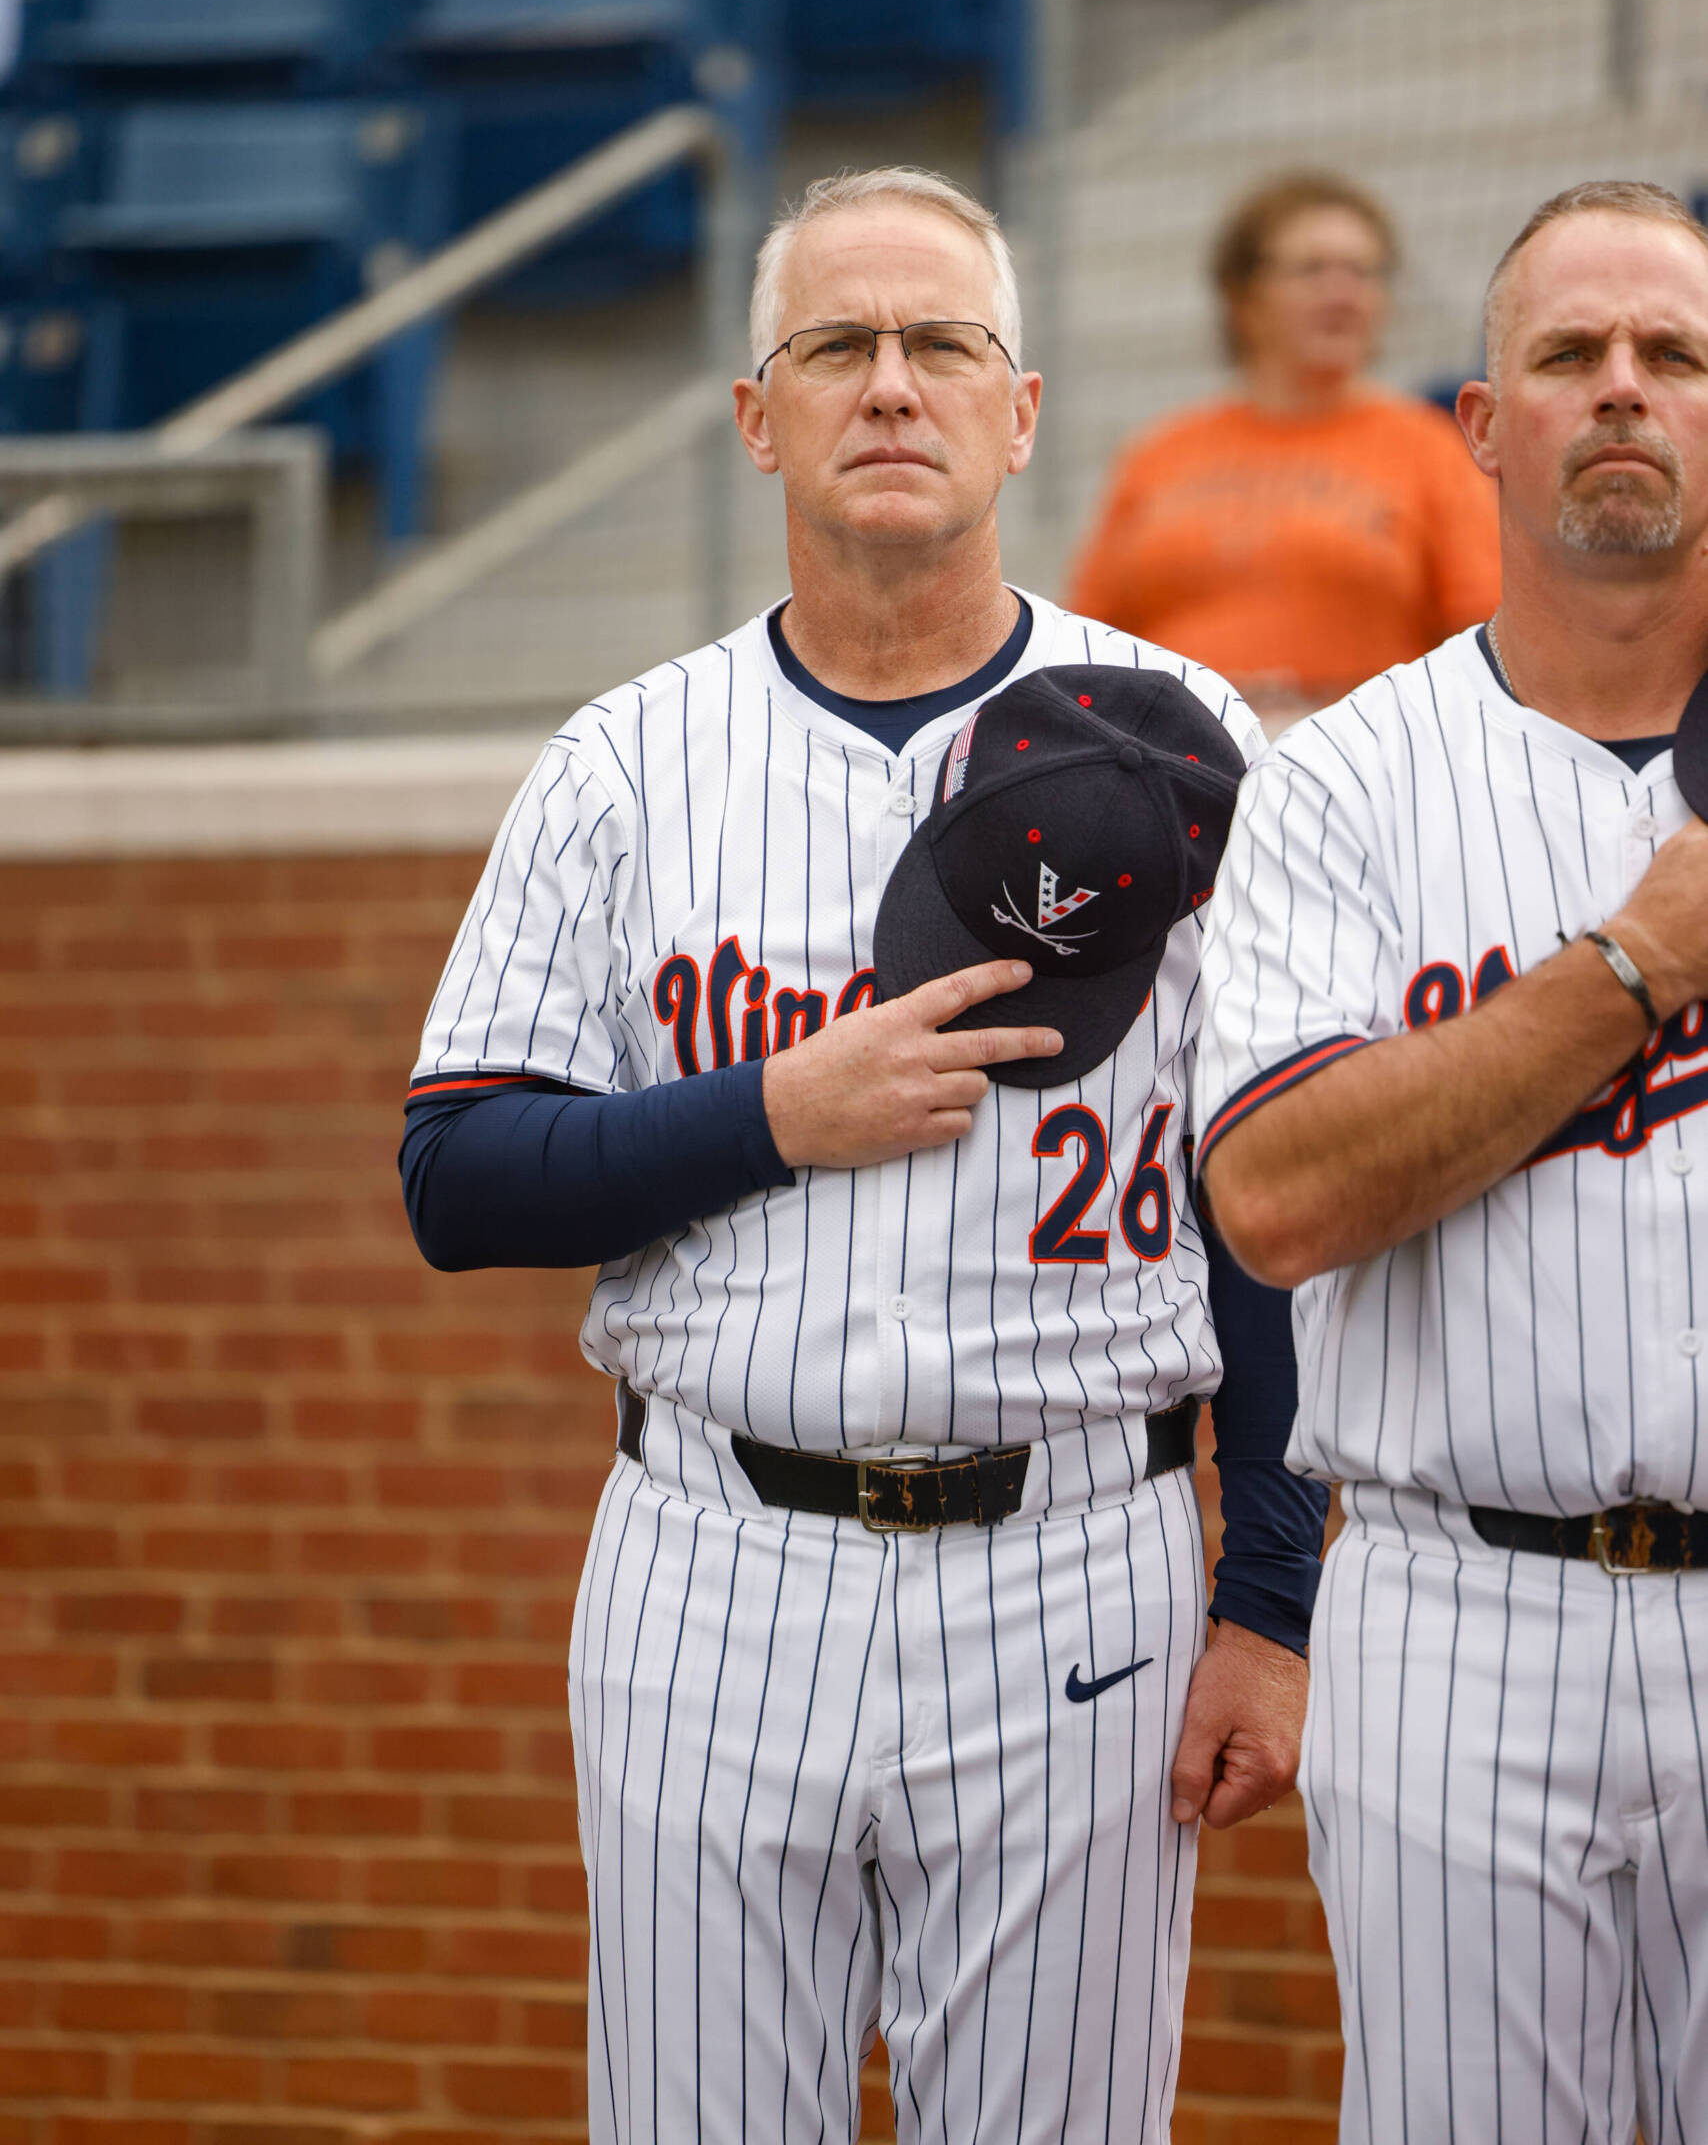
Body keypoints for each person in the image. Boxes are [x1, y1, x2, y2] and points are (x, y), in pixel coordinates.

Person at [400, 165, 1327, 2145]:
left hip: (1078, 1561)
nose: (888, 383)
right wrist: (769, 1114)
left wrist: (1267, 1593)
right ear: (757, 413)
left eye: (940, 344)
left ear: (1019, 407)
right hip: (709, 1559)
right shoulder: (624, 763)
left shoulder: (1187, 746)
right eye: (836, 343)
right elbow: (456, 1175)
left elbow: (1262, 1202)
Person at [1194, 178, 1708, 2145]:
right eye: (1565, 355)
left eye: (1668, 354)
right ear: (1477, 426)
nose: (1620, 391)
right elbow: (1274, 1190)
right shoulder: (1338, 779)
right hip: (1458, 1610)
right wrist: (1632, 967)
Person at [1067, 170, 1500, 729]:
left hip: (1359, 749)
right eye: (1312, 270)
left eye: (1363, 272)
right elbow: (1087, 641)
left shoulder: (1429, 447)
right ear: (1242, 294)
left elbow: (1484, 639)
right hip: (1171, 752)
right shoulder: (1159, 452)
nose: (1343, 294)